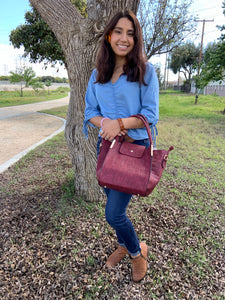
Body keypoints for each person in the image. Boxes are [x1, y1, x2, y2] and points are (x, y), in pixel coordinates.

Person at [83, 10, 159, 282]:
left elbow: (151, 114)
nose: (124, 38)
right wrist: (106, 122)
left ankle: (138, 253)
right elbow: (90, 110)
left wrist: (121, 125)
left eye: (130, 33)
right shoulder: (96, 75)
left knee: (114, 213)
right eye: (118, 32)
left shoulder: (145, 71)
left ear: (136, 39)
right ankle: (125, 244)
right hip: (105, 150)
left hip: (132, 151)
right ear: (108, 35)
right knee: (113, 205)